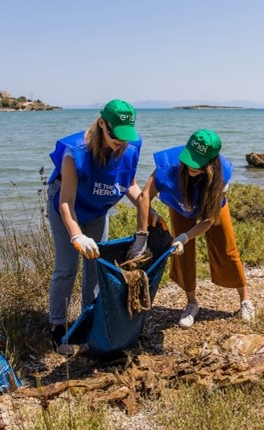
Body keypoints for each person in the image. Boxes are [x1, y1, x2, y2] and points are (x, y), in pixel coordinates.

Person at [46, 99, 149, 346]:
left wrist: (146, 213)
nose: (120, 142)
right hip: (68, 206)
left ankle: (87, 318)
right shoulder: (75, 152)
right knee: (67, 268)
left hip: (97, 208)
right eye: (115, 134)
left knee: (95, 265)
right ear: (102, 124)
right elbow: (65, 203)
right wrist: (76, 236)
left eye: (126, 136)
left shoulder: (131, 147)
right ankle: (57, 324)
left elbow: (131, 186)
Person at [135, 129, 254, 328]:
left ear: (210, 163)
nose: (191, 166)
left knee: (226, 249)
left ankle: (245, 300)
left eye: (197, 163)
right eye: (189, 159)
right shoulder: (168, 164)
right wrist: (142, 234)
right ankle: (191, 303)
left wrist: (186, 236)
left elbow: (208, 220)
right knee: (181, 252)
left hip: (209, 205)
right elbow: (144, 196)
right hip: (180, 203)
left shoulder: (221, 174)